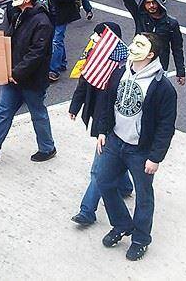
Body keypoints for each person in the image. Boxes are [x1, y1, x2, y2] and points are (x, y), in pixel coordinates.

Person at [95, 33, 178, 262]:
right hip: (115, 141)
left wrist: (155, 157)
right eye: (134, 42)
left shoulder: (162, 87)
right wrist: (102, 130)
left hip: (140, 151)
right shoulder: (119, 71)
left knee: (143, 196)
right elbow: (106, 101)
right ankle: (121, 225)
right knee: (103, 181)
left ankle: (141, 239)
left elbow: (165, 126)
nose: (132, 47)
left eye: (140, 45)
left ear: (150, 54)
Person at [0, 0, 56, 163]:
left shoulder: (42, 22)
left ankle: (47, 147)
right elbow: (8, 39)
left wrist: (16, 73)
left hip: (30, 80)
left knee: (38, 114)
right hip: (13, 76)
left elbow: (37, 53)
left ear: (27, 0)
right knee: (4, 113)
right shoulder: (19, 15)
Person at [68, 22, 133, 227]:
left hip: (112, 123)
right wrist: (74, 106)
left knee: (98, 169)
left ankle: (87, 211)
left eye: (99, 35)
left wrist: (104, 128)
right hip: (99, 117)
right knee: (113, 160)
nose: (94, 38)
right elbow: (84, 81)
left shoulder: (123, 69)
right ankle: (124, 185)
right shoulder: (95, 57)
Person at [114, 0, 186, 85]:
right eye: (148, 3)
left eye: (153, 2)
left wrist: (181, 72)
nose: (151, 6)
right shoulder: (140, 16)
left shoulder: (171, 23)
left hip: (159, 65)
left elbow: (177, 49)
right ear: (143, 5)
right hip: (138, 61)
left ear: (159, 3)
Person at [49, 0, 81, 81]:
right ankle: (62, 62)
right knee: (57, 39)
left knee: (56, 40)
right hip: (51, 10)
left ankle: (53, 69)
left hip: (62, 11)